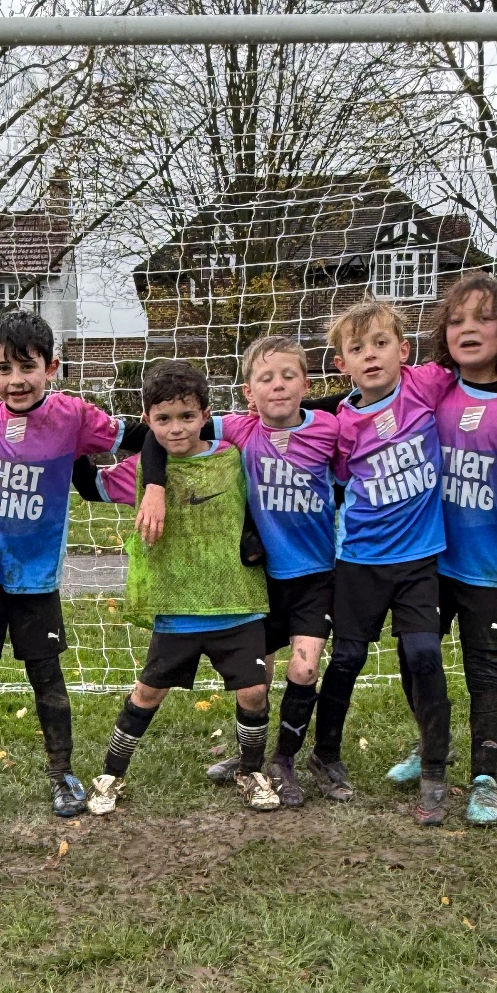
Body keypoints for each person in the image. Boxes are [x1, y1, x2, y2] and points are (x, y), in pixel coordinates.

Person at [0, 309, 141, 822]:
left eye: (28, 367)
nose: (16, 380)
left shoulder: (73, 417)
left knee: (47, 677)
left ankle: (61, 774)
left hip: (36, 576)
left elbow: (135, 440)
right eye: (3, 369)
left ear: (52, 367)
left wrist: (168, 466)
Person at [384, 273, 497, 825]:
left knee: (485, 669)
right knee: (416, 659)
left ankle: (486, 776)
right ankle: (431, 746)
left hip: (490, 566)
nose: (468, 329)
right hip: (426, 561)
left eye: (482, 318)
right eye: (457, 320)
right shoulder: (430, 390)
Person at [133, 334, 342, 807]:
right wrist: (156, 488)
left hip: (314, 574)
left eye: (289, 375)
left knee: (305, 669)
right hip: (258, 578)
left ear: (306, 382)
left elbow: (352, 475)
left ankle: (283, 762)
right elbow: (157, 429)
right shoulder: (238, 430)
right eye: (265, 378)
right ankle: (250, 757)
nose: (278, 385)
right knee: (256, 681)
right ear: (249, 392)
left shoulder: (330, 429)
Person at [82, 358, 281, 815]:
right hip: (177, 607)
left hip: (237, 601)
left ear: (206, 415)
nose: (176, 428)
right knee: (147, 692)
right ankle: (111, 774)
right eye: (164, 419)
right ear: (148, 421)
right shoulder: (142, 470)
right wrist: (65, 447)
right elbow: (92, 486)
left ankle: (251, 772)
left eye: (187, 416)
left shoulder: (232, 457)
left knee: (253, 692)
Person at [309, 300, 455, 825]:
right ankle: (325, 754)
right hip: (360, 559)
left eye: (380, 344)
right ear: (341, 364)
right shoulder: (340, 423)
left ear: (404, 351)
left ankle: (436, 765)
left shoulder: (426, 386)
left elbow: (468, 359)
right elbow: (343, 482)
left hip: (420, 561)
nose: (370, 355)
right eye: (356, 349)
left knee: (423, 655)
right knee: (346, 659)